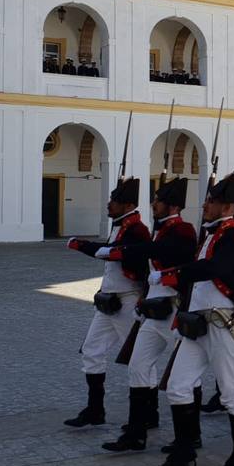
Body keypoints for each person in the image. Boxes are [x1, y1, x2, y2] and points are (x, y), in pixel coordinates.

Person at [146, 173, 234, 466]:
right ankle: (183, 456)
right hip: (196, 322)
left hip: (223, 322)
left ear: (226, 206)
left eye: (210, 201)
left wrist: (173, 274)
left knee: (232, 392)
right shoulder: (209, 234)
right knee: (178, 386)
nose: (204, 205)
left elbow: (217, 269)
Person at [100, 177, 199, 452]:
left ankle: (193, 435)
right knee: (138, 365)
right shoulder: (160, 229)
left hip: (173, 308)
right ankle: (136, 432)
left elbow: (173, 255)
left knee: (188, 373)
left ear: (173, 206)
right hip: (152, 308)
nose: (153, 204)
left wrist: (122, 251)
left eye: (158, 201)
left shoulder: (183, 230)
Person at [63, 178, 150, 427]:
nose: (109, 205)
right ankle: (94, 410)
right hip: (108, 301)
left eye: (115, 202)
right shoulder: (120, 225)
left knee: (137, 357)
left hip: (128, 300)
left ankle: (147, 414)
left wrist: (84, 246)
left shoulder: (137, 229)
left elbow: (121, 253)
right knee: (91, 350)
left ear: (129, 205)